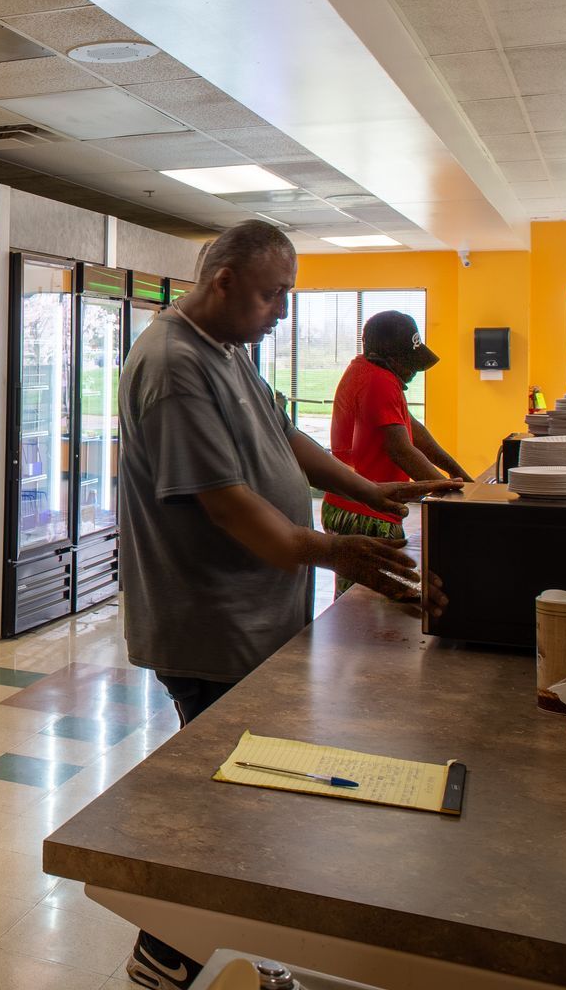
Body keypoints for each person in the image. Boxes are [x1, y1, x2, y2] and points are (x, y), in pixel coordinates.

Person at [115, 221, 451, 990]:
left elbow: (283, 434)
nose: (283, 312)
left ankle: (207, 944)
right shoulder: (172, 365)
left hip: (255, 620)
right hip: (210, 624)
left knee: (246, 798)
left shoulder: (226, 351)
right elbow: (229, 508)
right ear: (224, 280)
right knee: (223, 806)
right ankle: (165, 955)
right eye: (273, 294)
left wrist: (366, 488)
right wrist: (335, 550)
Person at [321, 311, 469, 554]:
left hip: (350, 503)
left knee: (357, 589)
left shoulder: (366, 371)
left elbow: (415, 432)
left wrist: (457, 475)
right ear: (387, 358)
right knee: (374, 591)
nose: (413, 371)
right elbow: (400, 450)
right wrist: (448, 495)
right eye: (409, 363)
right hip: (366, 512)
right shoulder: (380, 382)